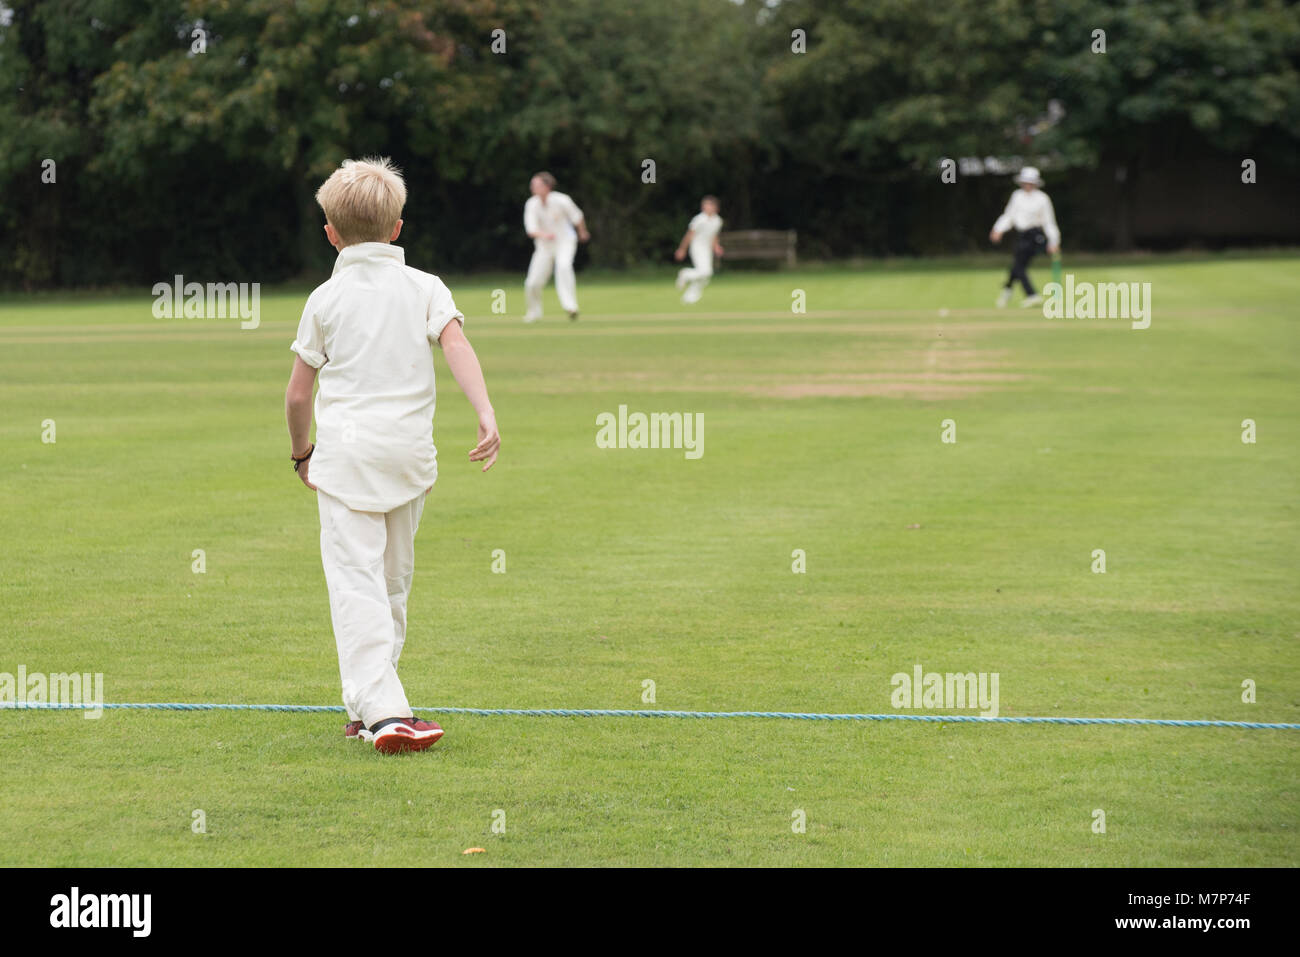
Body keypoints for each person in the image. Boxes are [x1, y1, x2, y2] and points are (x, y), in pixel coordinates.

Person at [284, 157, 500, 755]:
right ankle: (375, 707)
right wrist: (485, 412)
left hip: (347, 461)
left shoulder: (323, 299)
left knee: (359, 583)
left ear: (330, 233)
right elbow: (457, 345)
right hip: (408, 458)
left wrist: (302, 454)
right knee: (391, 582)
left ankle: (379, 710)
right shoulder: (426, 286)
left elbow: (298, 392)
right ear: (398, 227)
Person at [522, 172, 590, 322]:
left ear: (547, 187)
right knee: (532, 282)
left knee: (564, 267)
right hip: (544, 246)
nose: (533, 188)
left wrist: (582, 232)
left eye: (537, 185)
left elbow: (577, 216)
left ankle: (571, 306)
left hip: (565, 242)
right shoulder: (531, 204)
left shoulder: (562, 200)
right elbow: (531, 229)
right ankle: (534, 312)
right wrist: (544, 235)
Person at [989, 166, 1060, 307]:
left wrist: (1054, 241)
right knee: (1017, 266)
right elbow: (1009, 216)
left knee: (1019, 266)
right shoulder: (1017, 196)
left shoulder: (1042, 199)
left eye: (1030, 182)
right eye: (1025, 182)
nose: (1027, 185)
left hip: (1035, 236)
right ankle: (1006, 294)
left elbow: (1049, 222)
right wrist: (998, 229)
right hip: (1022, 235)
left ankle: (1031, 294)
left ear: (1035, 183)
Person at [674, 195, 724, 304]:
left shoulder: (718, 220)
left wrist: (716, 247)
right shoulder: (699, 219)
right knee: (705, 272)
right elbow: (689, 235)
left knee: (706, 276)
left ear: (715, 207)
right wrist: (682, 249)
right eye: (705, 205)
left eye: (709, 205)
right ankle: (685, 274)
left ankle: (690, 296)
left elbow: (714, 236)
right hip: (697, 247)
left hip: (706, 249)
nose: (707, 207)